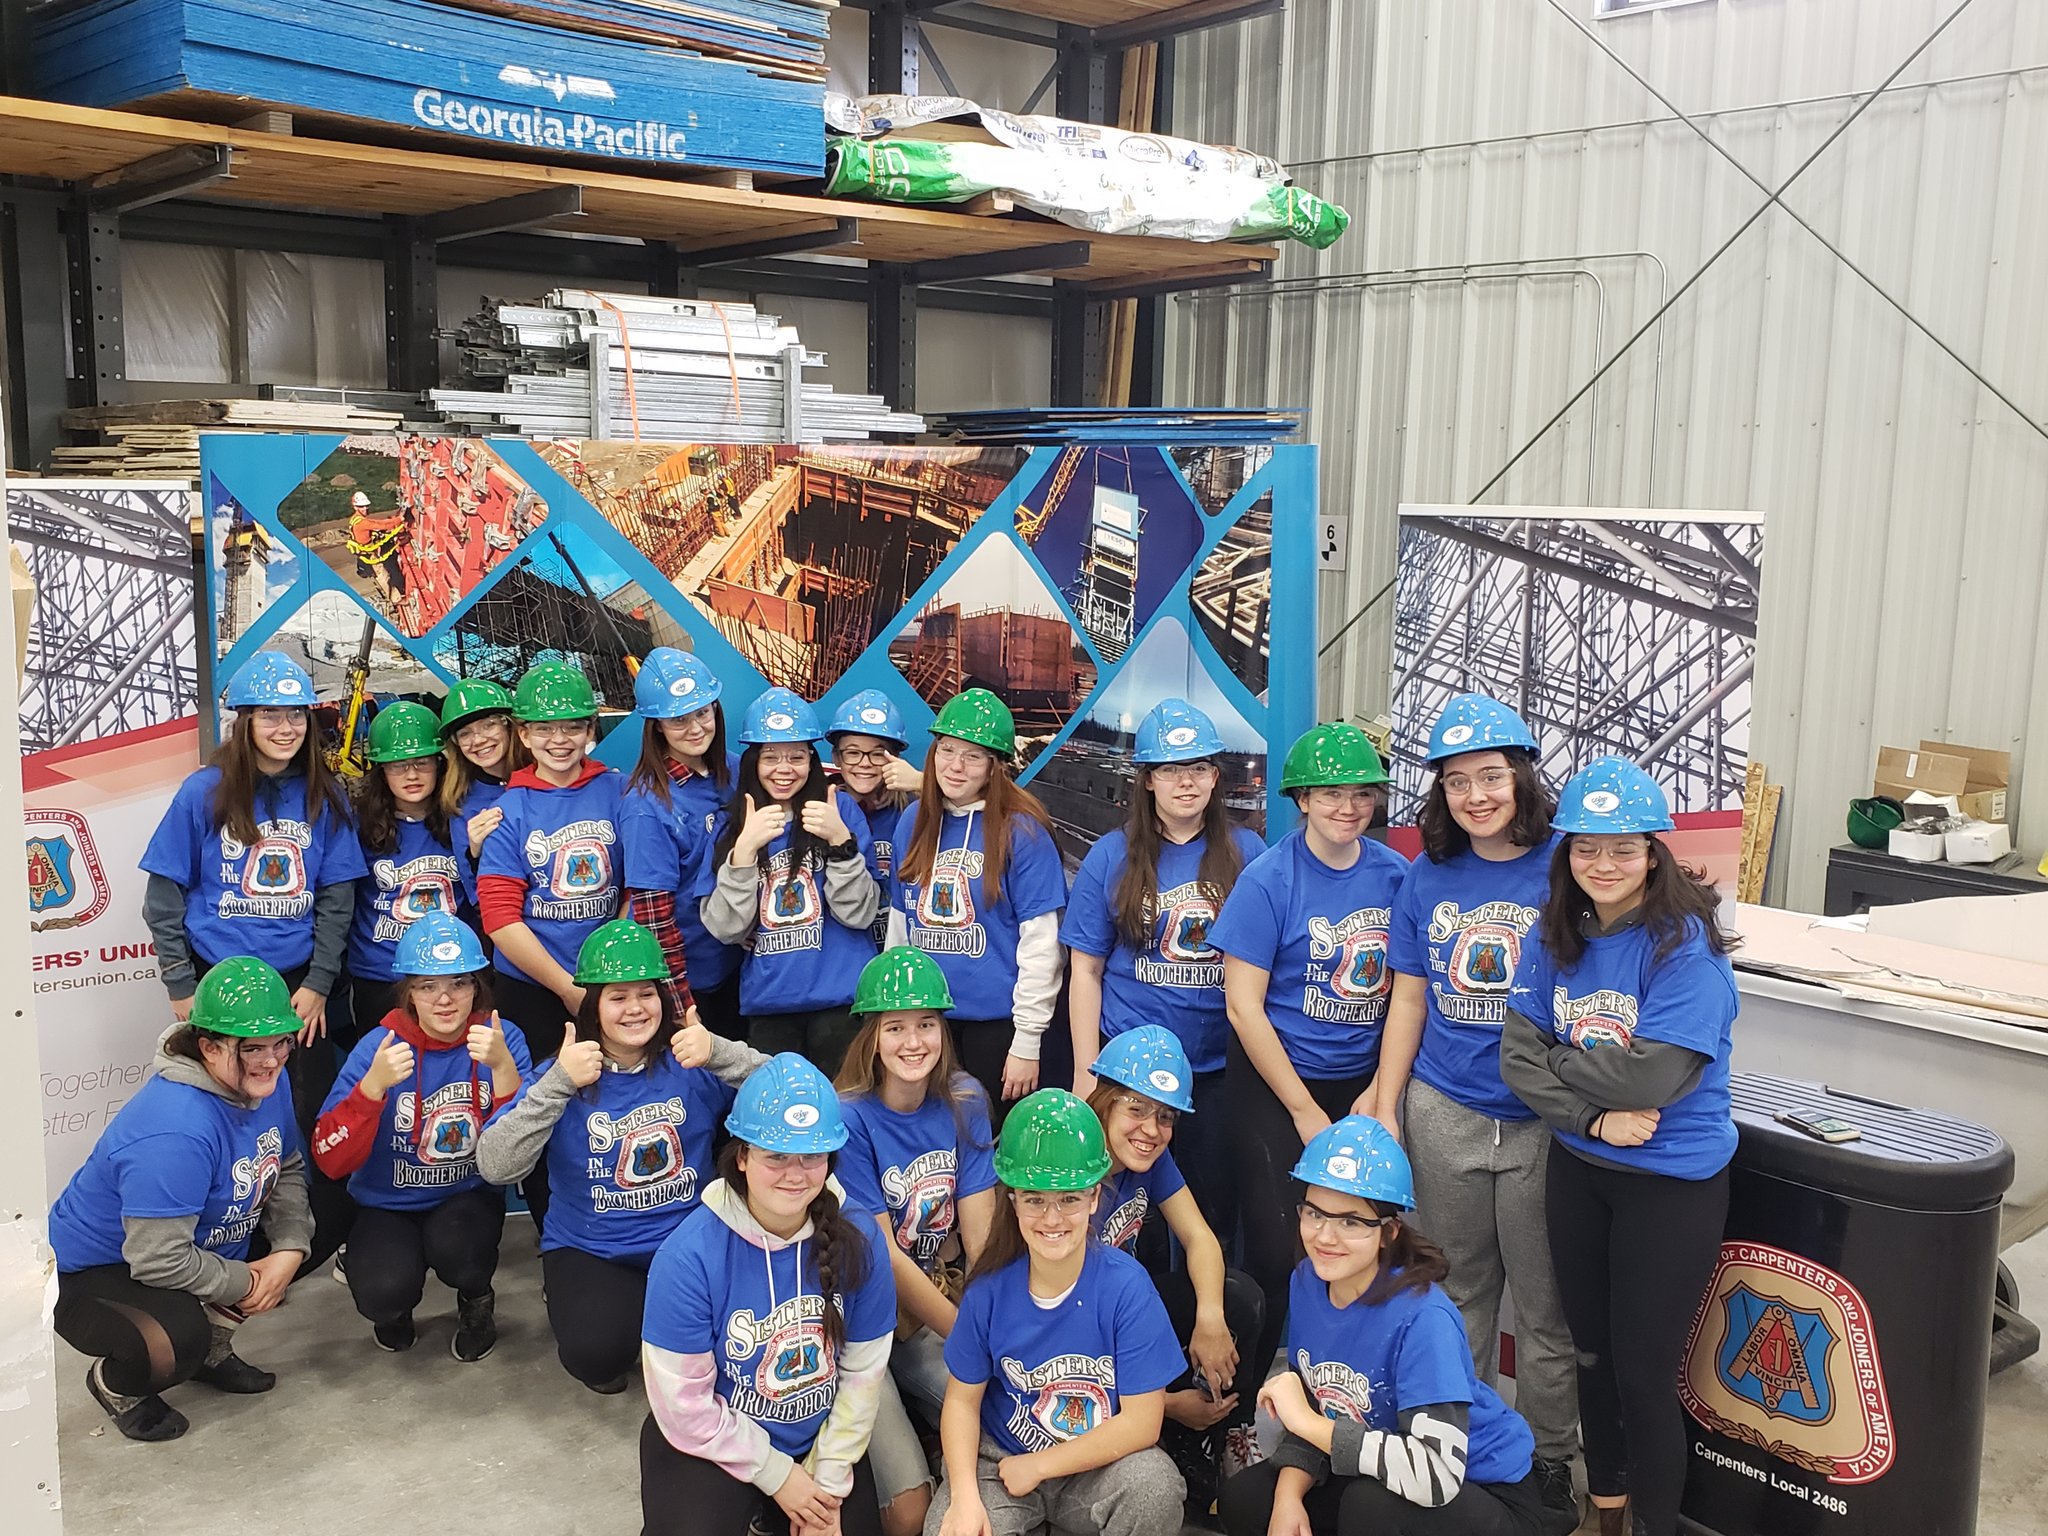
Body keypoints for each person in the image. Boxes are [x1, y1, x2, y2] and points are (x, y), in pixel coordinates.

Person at [1498, 758, 1739, 1536]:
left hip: (1668, 1184)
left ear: (1654, 854)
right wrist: (1595, 1118)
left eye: (1623, 849)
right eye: (1586, 848)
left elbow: (1654, 1076)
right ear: (1566, 853)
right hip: (1583, 1168)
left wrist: (1562, 1058)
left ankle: (1653, 1527)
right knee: (1589, 1360)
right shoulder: (1554, 933)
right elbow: (1514, 1057)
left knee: (1642, 1378)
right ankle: (1604, 1516)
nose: (1604, 864)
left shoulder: (1683, 946)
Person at [1368, 695, 1579, 1527]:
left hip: (1540, 1122)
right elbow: (1409, 999)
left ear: (1522, 776)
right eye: (1457, 781)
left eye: (1491, 775)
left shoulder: (1568, 864)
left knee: (1546, 1309)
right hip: (1444, 1108)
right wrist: (1386, 1105)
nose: (1476, 795)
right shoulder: (1428, 874)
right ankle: (1470, 1448)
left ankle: (1553, 1460)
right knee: (1456, 1299)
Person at [141, 649, 365, 1267]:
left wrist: (320, 982)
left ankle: (298, 1247)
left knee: (301, 1112)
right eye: (270, 714)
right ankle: (217, 1251)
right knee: (221, 1112)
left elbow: (337, 899)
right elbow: (164, 892)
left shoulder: (325, 796)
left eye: (295, 714)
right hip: (218, 983)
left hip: (296, 988)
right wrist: (182, 983)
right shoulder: (204, 792)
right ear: (243, 721)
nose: (286, 728)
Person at [1208, 722, 1409, 1409]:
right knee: (1276, 1249)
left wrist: (1381, 1091)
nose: (1348, 808)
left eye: (1361, 795)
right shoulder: (1269, 879)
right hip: (1276, 1079)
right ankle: (1246, 1405)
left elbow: (1408, 996)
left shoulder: (1394, 875)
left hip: (1361, 1081)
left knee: (1360, 1242)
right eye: (1330, 794)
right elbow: (1243, 1008)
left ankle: (1344, 1395)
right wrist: (1302, 1111)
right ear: (1301, 799)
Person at [1218, 1117, 1547, 1536]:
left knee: (1370, 1508)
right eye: (1314, 1213)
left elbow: (1434, 1475)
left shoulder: (1425, 1319)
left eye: (1351, 1221)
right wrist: (1287, 1499)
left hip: (1480, 1490)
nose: (1325, 1236)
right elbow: (1320, 1409)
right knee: (1248, 1501)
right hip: (1379, 1467)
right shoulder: (1306, 1281)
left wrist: (1306, 1423)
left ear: (1388, 1232)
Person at [475, 919, 757, 1394]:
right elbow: (496, 1165)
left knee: (740, 1349)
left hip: (690, 1240)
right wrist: (559, 1083)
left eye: (645, 994)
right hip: (594, 1248)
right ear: (593, 1005)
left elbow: (797, 1098)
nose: (634, 1009)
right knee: (596, 1355)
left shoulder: (692, 1060)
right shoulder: (560, 1073)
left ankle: (669, 1318)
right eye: (617, 997)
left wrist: (720, 1053)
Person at [50, 959, 314, 1442]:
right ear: (209, 1047)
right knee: (172, 1341)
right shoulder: (175, 1129)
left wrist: (291, 1249)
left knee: (330, 1216)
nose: (273, 1059)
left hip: (200, 1235)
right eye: (252, 1047)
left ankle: (213, 1348)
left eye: (281, 1042)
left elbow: (287, 1163)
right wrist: (250, 1279)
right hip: (100, 1270)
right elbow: (156, 1258)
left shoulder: (262, 1082)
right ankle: (119, 1387)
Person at [639, 1053, 899, 1536]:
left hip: (820, 1439)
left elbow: (863, 1373)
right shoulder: (688, 1256)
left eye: (811, 1156)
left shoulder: (859, 1237)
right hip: (710, 1442)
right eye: (775, 1155)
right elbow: (685, 1406)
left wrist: (826, 1482)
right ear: (742, 1156)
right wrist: (779, 1478)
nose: (795, 1174)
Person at [925, 1088, 1188, 1536]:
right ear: (1012, 1202)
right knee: (949, 1529)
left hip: (1098, 1461)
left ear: (1094, 1199)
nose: (1052, 1217)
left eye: (1069, 1198)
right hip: (1001, 1460)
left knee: (1156, 1487)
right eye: (1034, 1199)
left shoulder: (1127, 1286)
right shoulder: (988, 1288)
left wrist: (1041, 1465)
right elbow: (961, 1403)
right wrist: (965, 1497)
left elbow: (1144, 1422)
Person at [1062, 697, 1261, 1238]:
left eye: (1198, 768)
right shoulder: (1111, 856)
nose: (1186, 782)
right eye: (1171, 769)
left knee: (1212, 1216)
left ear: (1216, 777)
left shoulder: (1248, 853)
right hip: (1128, 1077)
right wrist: (1086, 1071)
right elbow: (1086, 972)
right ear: (1148, 780)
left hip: (1216, 1071)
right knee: (1126, 1223)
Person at [312, 912, 530, 1361]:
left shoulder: (500, 1039)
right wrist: (370, 1090)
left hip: (465, 1195)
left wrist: (505, 1072)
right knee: (381, 1291)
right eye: (428, 986)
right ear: (409, 992)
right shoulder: (379, 1047)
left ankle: (476, 1300)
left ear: (477, 988)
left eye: (458, 983)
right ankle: (394, 1312)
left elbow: (521, 1154)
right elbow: (328, 1157)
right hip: (385, 1203)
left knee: (463, 1253)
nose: (445, 999)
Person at [834, 946, 999, 1536]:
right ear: (870, 1036)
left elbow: (981, 1235)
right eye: (895, 1026)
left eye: (926, 1024)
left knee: (1005, 1413)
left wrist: (990, 1322)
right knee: (906, 1513)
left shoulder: (965, 1098)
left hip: (938, 1304)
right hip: (865, 1320)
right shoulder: (848, 1116)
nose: (913, 1041)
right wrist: (971, 1337)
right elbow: (884, 1262)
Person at [1084, 1026, 1265, 1496]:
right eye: (1136, 1108)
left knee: (1237, 1298)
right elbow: (1065, 1323)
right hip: (1070, 1339)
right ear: (1104, 1099)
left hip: (1120, 1312)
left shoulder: (1150, 1160)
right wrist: (1166, 1403)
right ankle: (1168, 1423)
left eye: (1165, 1116)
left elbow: (1200, 1238)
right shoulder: (1073, 1160)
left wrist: (1210, 1319)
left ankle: (1216, 1436)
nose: (1151, 1130)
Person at [889, 689, 1067, 1121]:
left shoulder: (1022, 832)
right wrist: (894, 1015)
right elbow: (900, 926)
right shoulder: (913, 821)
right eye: (946, 750)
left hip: (996, 1027)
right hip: (928, 1024)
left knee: (991, 1147)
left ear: (994, 767)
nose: (954, 765)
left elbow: (1043, 948)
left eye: (972, 756)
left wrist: (1027, 1040)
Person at [475, 659, 624, 1176]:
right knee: (541, 1114)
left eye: (571, 726)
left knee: (618, 1111)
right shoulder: (508, 809)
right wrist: (566, 986)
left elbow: (637, 889)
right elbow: (499, 918)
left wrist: (609, 970)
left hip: (613, 986)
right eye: (543, 728)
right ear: (524, 733)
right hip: (535, 992)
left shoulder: (618, 791)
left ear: (590, 729)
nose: (558, 739)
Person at [699, 687, 880, 1076]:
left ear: (811, 761)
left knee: (846, 1110)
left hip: (842, 1001)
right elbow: (725, 929)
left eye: (797, 757)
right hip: (770, 1004)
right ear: (752, 762)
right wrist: (744, 853)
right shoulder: (732, 825)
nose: (785, 769)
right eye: (771, 757)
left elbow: (861, 915)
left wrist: (840, 843)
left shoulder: (839, 809)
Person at [622, 646, 743, 1036]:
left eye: (702, 713)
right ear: (656, 725)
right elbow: (654, 916)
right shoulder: (647, 804)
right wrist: (681, 1008)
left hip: (745, 968)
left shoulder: (738, 770)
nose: (695, 728)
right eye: (678, 720)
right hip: (694, 981)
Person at [342, 700, 471, 1053]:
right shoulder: (358, 826)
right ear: (381, 770)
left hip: (450, 976)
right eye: (399, 765)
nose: (411, 775)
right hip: (381, 976)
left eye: (421, 763)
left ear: (439, 765)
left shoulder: (461, 821)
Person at [827, 688, 920, 948]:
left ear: (895, 758)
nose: (865, 763)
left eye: (878, 753)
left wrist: (924, 784)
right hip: (849, 953)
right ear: (837, 757)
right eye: (853, 752)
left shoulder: (914, 811)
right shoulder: (824, 812)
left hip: (902, 949)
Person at [437, 677, 527, 865]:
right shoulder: (461, 800)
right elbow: (473, 887)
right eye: (465, 734)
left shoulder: (546, 775)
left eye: (489, 725)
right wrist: (475, 854)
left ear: (509, 725)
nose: (478, 740)